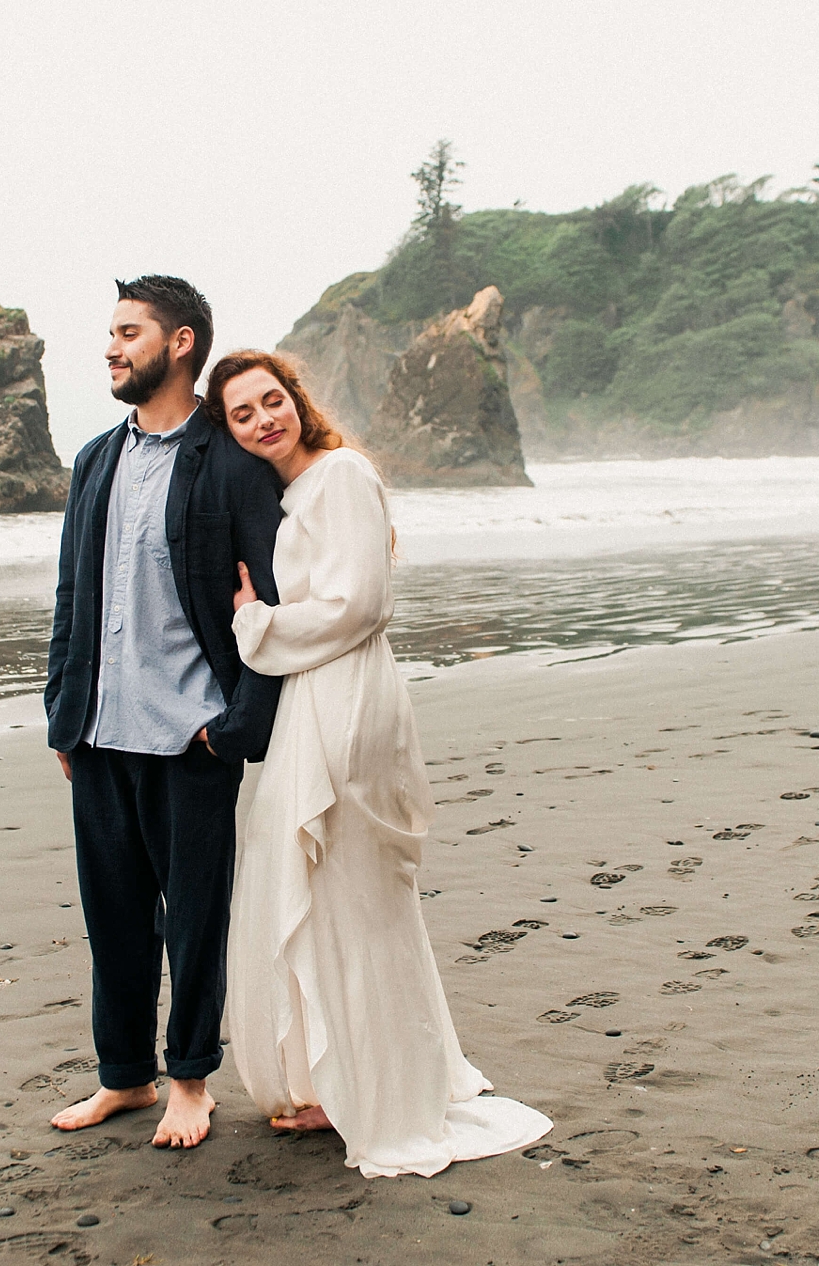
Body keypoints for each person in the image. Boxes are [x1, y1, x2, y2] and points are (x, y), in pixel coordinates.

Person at [206, 349, 553, 1178]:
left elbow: (364, 605)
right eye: (242, 414)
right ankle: (335, 1075)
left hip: (348, 705)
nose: (262, 419)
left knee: (349, 894)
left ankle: (374, 1086)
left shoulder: (343, 474)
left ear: (297, 398)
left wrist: (256, 628)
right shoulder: (297, 491)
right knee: (321, 893)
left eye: (271, 400)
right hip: (314, 699)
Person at [44, 278, 285, 1149]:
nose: (111, 348)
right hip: (99, 736)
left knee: (192, 922)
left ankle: (190, 1079)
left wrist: (236, 726)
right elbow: (74, 593)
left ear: (180, 343)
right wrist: (60, 712)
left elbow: (274, 601)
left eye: (127, 332)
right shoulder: (94, 461)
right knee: (112, 923)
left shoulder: (229, 464)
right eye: (110, 333)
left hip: (190, 736)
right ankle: (126, 1078)